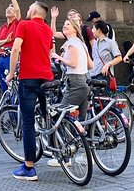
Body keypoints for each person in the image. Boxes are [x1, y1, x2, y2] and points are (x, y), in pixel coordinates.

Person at [5, 1, 54, 181]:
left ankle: (29, 167)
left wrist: (11, 73)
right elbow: (50, 52)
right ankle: (57, 151)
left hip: (29, 78)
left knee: (27, 122)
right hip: (47, 78)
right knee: (48, 115)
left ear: (33, 11)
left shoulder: (24, 25)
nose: (26, 11)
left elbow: (16, 48)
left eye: (28, 8)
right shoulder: (48, 30)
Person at [47, 17, 93, 167]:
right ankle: (86, 154)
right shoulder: (81, 43)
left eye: (68, 25)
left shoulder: (72, 44)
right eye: (64, 24)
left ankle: (64, 157)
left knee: (61, 116)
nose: (65, 26)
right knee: (80, 120)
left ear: (74, 28)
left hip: (75, 83)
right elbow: (90, 65)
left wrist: (58, 57)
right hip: (85, 81)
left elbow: (72, 63)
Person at [0, 0, 21, 93]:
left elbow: (18, 10)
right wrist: (6, 40)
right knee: (3, 85)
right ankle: (7, 106)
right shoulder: (3, 27)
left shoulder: (17, 23)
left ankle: (13, 108)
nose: (8, 10)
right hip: (1, 57)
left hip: (11, 57)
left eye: (11, 9)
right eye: (7, 9)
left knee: (11, 84)